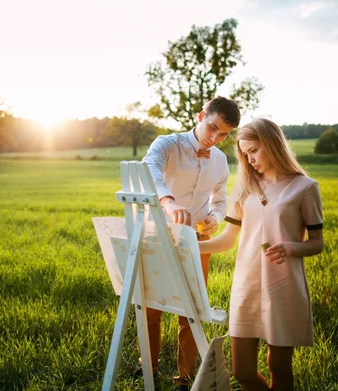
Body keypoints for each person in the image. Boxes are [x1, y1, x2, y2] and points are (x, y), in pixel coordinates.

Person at [199, 118, 324, 391]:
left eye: (254, 150)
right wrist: (189, 247)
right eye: (245, 153)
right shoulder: (245, 189)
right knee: (241, 370)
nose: (249, 159)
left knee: (278, 365)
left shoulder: (305, 187)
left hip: (283, 286)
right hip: (246, 285)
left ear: (272, 144)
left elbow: (317, 243)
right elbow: (226, 240)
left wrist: (292, 247)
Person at [139, 96, 241, 391]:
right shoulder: (167, 144)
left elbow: (220, 199)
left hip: (198, 239)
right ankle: (148, 367)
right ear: (200, 116)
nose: (215, 138)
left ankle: (184, 377)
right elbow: (150, 170)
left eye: (223, 134)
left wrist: (215, 216)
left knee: (192, 308)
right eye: (212, 128)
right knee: (151, 306)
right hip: (157, 232)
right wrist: (168, 202)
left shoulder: (220, 161)